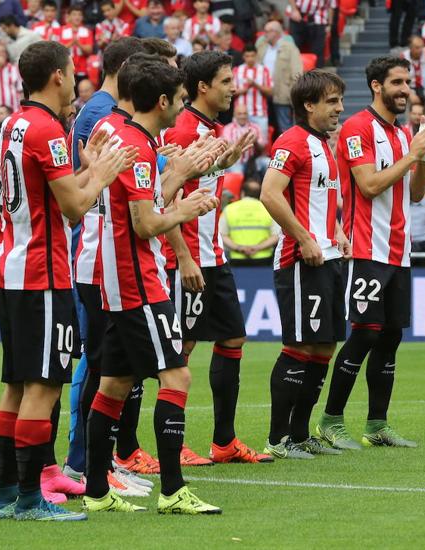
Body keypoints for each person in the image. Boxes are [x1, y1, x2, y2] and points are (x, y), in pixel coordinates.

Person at [0, 40, 136, 522]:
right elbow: (74, 208)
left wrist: (84, 167)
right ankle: (30, 500)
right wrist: (103, 173)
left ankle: (8, 494)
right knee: (43, 385)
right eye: (73, 72)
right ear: (56, 76)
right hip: (40, 275)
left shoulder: (13, 122)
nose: (78, 79)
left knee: (15, 384)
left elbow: (41, 189)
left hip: (5, 266)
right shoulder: (49, 129)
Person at [80, 55, 225, 516]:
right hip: (137, 280)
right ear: (162, 101)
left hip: (113, 276)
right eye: (181, 100)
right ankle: (172, 490)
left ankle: (98, 490)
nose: (183, 109)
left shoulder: (120, 136)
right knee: (177, 374)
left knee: (115, 384)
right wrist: (190, 208)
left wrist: (177, 182)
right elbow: (144, 225)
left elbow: (136, 204)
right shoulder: (138, 146)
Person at [319, 56, 425, 450]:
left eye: (408, 82)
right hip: (366, 248)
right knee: (365, 333)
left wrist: (421, 154)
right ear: (376, 86)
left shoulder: (404, 134)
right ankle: (331, 420)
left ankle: (376, 424)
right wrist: (413, 154)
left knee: (390, 337)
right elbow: (369, 185)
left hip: (398, 251)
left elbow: (417, 192)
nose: (405, 89)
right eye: (397, 82)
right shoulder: (358, 128)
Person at [161, 50, 269, 465]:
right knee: (182, 349)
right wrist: (184, 257)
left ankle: (224, 442)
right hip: (186, 258)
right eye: (226, 81)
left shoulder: (211, 128)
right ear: (202, 87)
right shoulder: (184, 130)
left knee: (232, 338)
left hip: (213, 256)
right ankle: (176, 445)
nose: (234, 87)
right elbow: (163, 199)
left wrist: (225, 160)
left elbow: (198, 184)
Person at [64, 38, 158, 489]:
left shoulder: (108, 113)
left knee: (110, 364)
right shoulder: (102, 115)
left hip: (108, 255)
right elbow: (97, 193)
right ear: (127, 69)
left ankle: (101, 460)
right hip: (98, 256)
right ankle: (83, 461)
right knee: (97, 362)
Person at [259, 70, 351, 458]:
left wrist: (337, 230)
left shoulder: (322, 145)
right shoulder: (293, 141)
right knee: (299, 345)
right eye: (331, 101)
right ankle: (278, 438)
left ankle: (300, 434)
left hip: (329, 256)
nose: (340, 108)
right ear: (308, 105)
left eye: (340, 101)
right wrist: (304, 237)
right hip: (301, 260)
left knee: (324, 347)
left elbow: (317, 201)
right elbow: (269, 193)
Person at [219, 178, 279, 265]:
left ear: (243, 193)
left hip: (237, 258)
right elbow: (276, 235)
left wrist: (239, 248)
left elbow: (222, 235)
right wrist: (257, 248)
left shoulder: (229, 209)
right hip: (263, 258)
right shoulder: (269, 209)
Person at [257, 21, 302, 134]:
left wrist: (293, 92)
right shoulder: (262, 48)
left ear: (276, 32)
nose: (264, 34)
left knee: (284, 128)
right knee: (266, 128)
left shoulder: (290, 48)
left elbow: (296, 72)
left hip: (282, 93)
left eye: (267, 31)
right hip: (262, 93)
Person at [232, 44, 272, 135]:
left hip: (259, 114)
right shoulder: (236, 70)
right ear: (243, 57)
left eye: (252, 56)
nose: (250, 59)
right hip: (240, 114)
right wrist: (245, 88)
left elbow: (270, 92)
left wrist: (255, 85)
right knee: (239, 144)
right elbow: (231, 92)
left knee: (261, 145)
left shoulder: (264, 70)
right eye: (247, 56)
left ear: (256, 55)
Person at [287, 0, 331, 68]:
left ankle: (317, 76)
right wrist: (294, 10)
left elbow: (332, 6)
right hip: (298, 16)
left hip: (319, 19)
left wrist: (329, 25)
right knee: (294, 47)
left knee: (318, 51)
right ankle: (293, 73)